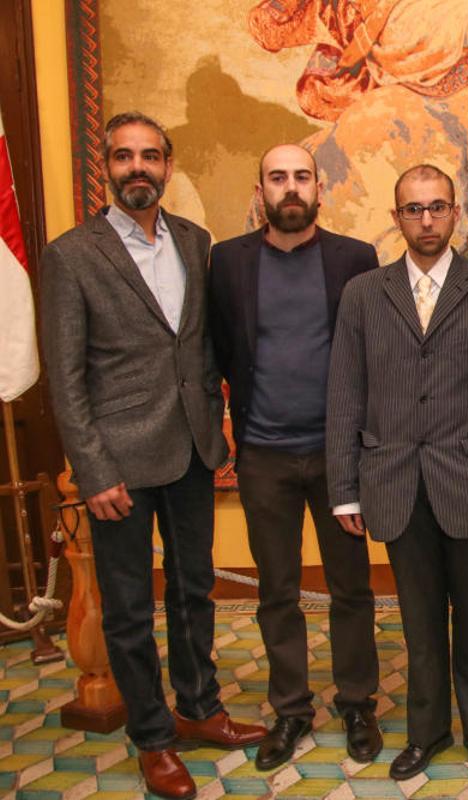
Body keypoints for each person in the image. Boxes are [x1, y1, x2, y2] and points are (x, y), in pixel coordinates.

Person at [39, 111, 267, 800]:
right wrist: (93, 470)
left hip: (193, 448)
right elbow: (65, 378)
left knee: (195, 589)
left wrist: (220, 425)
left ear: (167, 165)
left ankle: (198, 708)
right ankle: (153, 738)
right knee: (131, 608)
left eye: (149, 156)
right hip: (119, 463)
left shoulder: (195, 241)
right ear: (106, 167)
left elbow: (200, 345)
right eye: (123, 156)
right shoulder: (71, 255)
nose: (137, 167)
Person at [326, 165, 468, 780]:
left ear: (457, 214)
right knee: (418, 621)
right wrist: (344, 492)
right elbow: (345, 395)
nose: (426, 220)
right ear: (397, 218)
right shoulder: (364, 293)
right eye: (413, 210)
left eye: (437, 207)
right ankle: (426, 732)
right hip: (393, 480)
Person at [208, 144, 382, 770]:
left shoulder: (354, 259)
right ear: (260, 191)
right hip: (264, 456)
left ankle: (357, 703)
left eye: (301, 177)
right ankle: (291, 708)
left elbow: (372, 354)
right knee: (276, 590)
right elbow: (217, 349)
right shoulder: (228, 261)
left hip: (339, 455)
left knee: (351, 588)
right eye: (277, 177)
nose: (290, 188)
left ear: (319, 188)